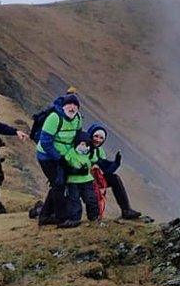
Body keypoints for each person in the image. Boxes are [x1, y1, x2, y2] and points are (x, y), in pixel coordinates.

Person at [35, 94, 83, 226]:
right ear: (63, 106)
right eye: (69, 104)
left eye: (75, 105)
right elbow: (45, 142)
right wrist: (58, 158)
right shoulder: (54, 118)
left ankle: (44, 217)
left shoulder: (78, 118)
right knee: (58, 184)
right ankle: (62, 220)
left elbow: (78, 137)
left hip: (64, 156)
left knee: (58, 184)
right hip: (46, 157)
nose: (72, 107)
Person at [87, 124, 142, 219]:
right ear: (90, 134)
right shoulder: (82, 145)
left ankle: (126, 210)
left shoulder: (99, 151)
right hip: (80, 179)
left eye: (101, 138)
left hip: (93, 179)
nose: (98, 140)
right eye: (96, 136)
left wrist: (116, 162)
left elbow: (107, 171)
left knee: (114, 178)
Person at [58, 134, 99, 229]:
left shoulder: (90, 153)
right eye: (81, 144)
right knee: (74, 200)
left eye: (85, 145)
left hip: (87, 180)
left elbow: (95, 160)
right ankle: (74, 219)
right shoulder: (71, 153)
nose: (83, 147)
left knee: (91, 199)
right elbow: (64, 162)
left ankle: (94, 217)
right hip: (73, 181)